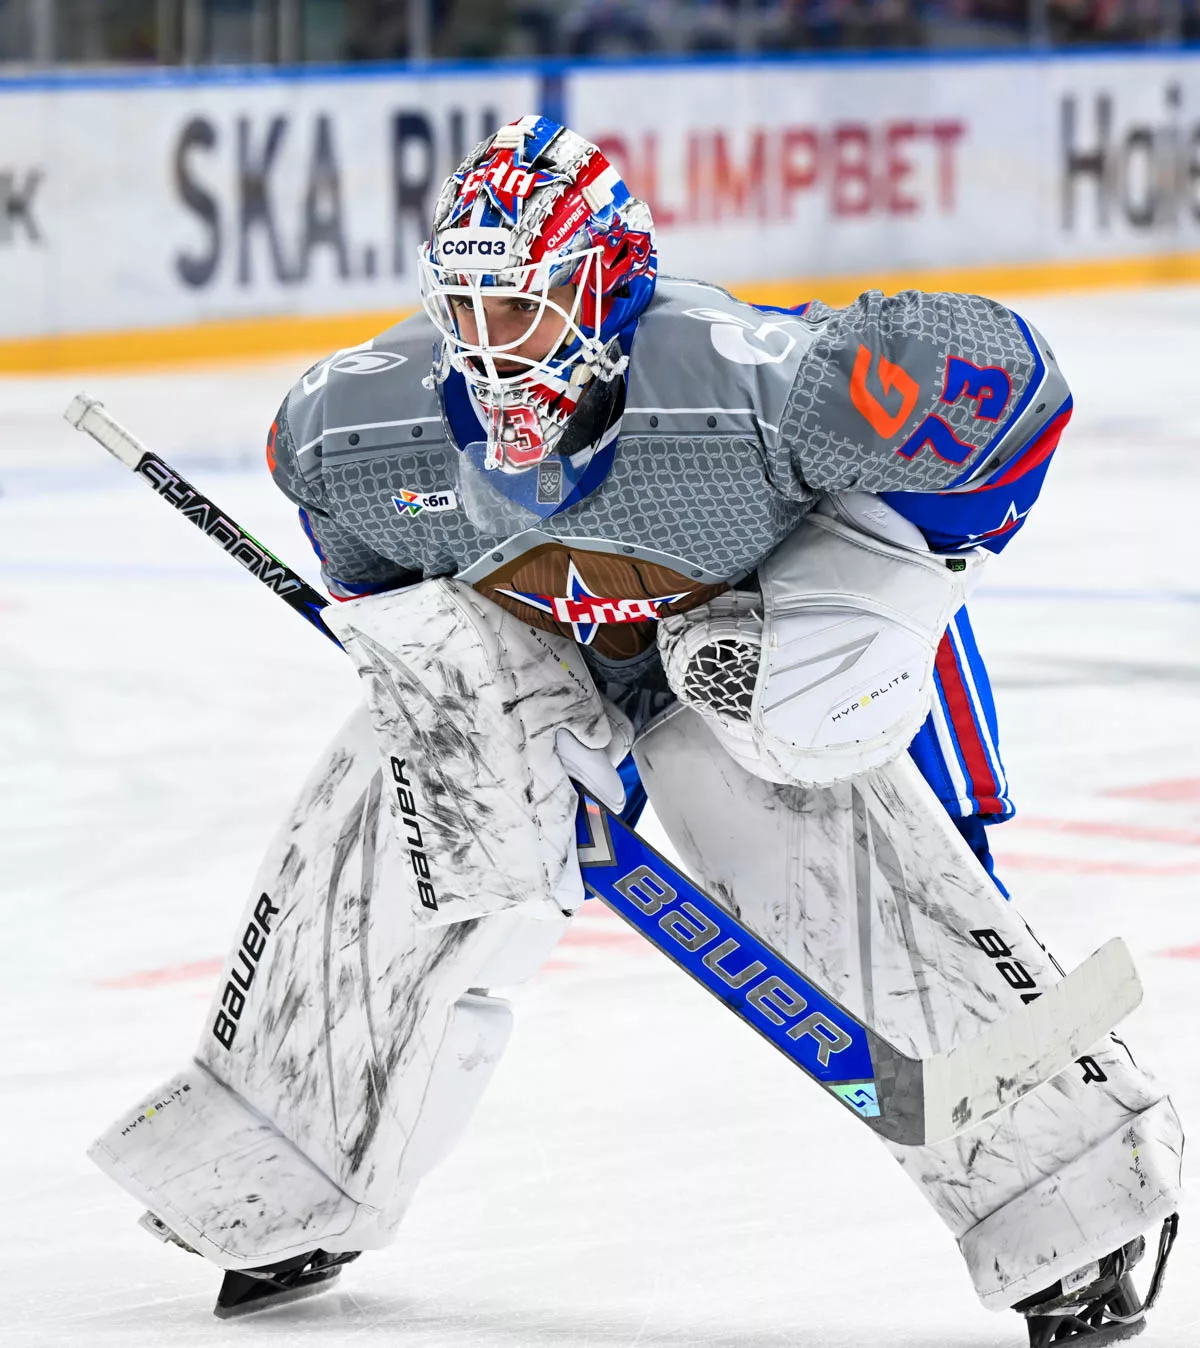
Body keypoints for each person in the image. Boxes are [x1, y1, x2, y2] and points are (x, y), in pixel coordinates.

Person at [91, 115, 1181, 1341]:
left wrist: (878, 590)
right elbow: (381, 586)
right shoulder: (350, 429)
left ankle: (1072, 1188)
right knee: (433, 748)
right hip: (549, 648)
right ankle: (281, 1166)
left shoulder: (770, 388)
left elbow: (1017, 403)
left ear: (607, 288)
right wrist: (464, 703)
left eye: (523, 307)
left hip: (749, 637)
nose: (490, 347)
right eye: (468, 309)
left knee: (797, 747)